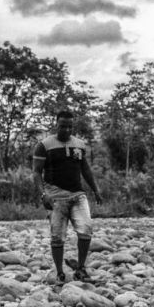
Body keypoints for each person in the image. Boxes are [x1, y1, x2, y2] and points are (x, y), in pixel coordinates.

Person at [32, 110, 102, 283]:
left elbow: (85, 169)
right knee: (57, 236)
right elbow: (36, 173)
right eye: (63, 126)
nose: (66, 129)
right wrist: (43, 194)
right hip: (55, 198)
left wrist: (96, 189)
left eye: (70, 126)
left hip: (78, 195)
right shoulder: (44, 145)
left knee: (85, 230)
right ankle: (59, 272)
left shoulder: (79, 144)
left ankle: (81, 268)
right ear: (56, 124)